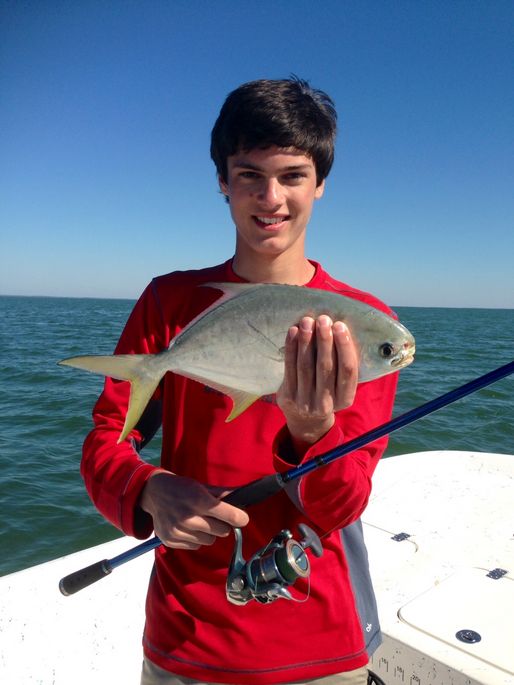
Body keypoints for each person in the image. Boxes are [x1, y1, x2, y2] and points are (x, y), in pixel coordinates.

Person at [81, 77, 399, 685]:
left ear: (321, 183)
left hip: (317, 639)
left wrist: (312, 433)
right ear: (223, 182)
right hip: (185, 637)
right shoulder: (171, 302)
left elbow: (340, 506)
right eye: (249, 174)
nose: (270, 197)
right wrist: (147, 488)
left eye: (292, 175)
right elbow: (106, 441)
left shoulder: (359, 326)